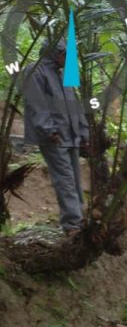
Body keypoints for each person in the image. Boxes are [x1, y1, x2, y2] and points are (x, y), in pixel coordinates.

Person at [19, 39, 89, 234]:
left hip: (72, 133)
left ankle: (80, 217)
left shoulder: (64, 74)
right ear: (56, 54)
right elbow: (36, 104)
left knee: (75, 177)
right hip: (54, 136)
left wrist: (84, 132)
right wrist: (49, 130)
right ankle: (72, 224)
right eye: (66, 55)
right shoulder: (34, 71)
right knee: (64, 178)